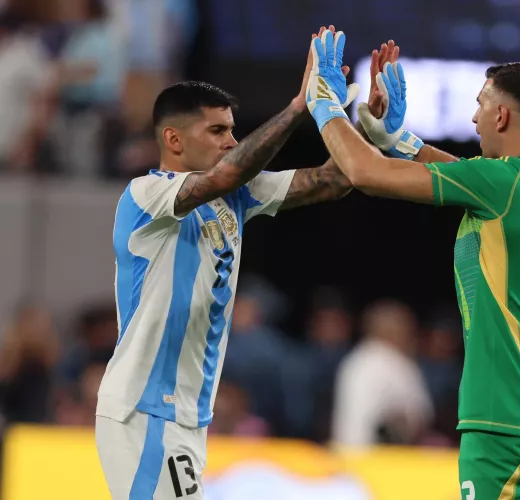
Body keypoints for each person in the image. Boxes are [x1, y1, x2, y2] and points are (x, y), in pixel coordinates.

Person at [305, 30, 520, 499]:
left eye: (481, 105)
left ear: (502, 114)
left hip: (505, 418)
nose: (473, 117)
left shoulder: (502, 184)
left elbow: (366, 173)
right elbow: (480, 184)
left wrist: (324, 106)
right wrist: (402, 140)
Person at [95, 25, 356, 499]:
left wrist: (353, 122)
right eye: (218, 130)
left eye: (233, 130)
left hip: (188, 416)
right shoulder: (146, 195)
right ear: (173, 139)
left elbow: (334, 181)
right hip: (145, 409)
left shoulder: (236, 197)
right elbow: (227, 174)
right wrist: (300, 107)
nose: (231, 140)